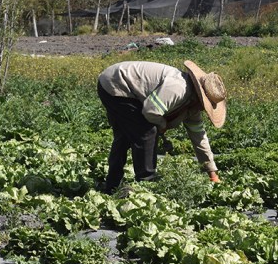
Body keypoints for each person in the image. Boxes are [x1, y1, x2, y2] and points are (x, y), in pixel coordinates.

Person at [97, 59, 226, 193]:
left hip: (119, 85)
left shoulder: (192, 107)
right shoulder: (178, 88)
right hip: (117, 83)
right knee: (147, 132)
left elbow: (199, 138)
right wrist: (162, 124)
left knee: (124, 137)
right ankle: (147, 184)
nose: (204, 109)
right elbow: (150, 111)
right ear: (199, 97)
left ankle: (111, 185)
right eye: (206, 105)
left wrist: (212, 173)